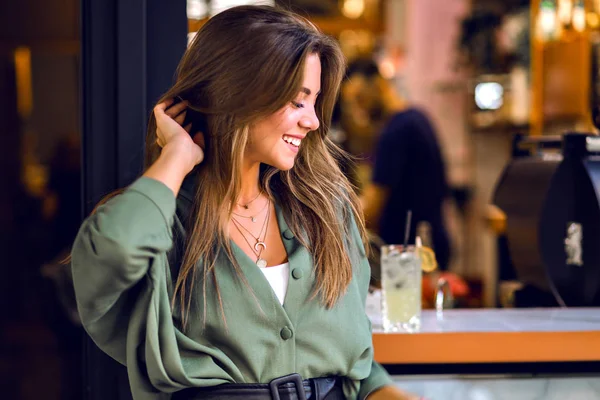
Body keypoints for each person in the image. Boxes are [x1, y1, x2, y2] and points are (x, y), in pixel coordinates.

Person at [71, 6, 423, 400]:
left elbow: (358, 367)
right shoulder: (164, 220)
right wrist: (177, 156)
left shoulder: (327, 210)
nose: (313, 122)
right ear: (238, 95)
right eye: (296, 101)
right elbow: (113, 252)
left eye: (315, 102)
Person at [345, 59, 451, 272]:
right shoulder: (418, 118)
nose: (360, 110)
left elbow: (373, 205)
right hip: (429, 243)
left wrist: (335, 218)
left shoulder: (396, 131)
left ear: (380, 85)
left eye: (361, 99)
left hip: (411, 254)